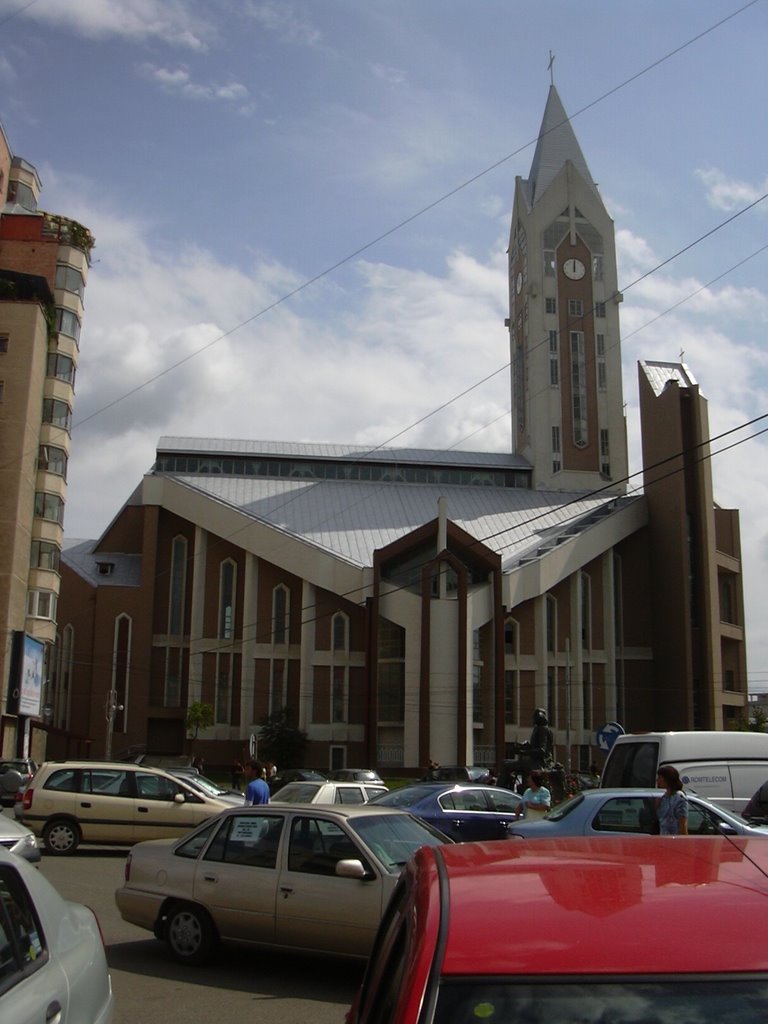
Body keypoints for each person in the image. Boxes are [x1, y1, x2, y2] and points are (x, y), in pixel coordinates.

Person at [656, 765, 688, 835]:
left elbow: (682, 824)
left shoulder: (679, 798)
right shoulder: (664, 797)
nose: (657, 780)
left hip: (675, 840)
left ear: (667, 779)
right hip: (663, 838)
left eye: (660, 777)